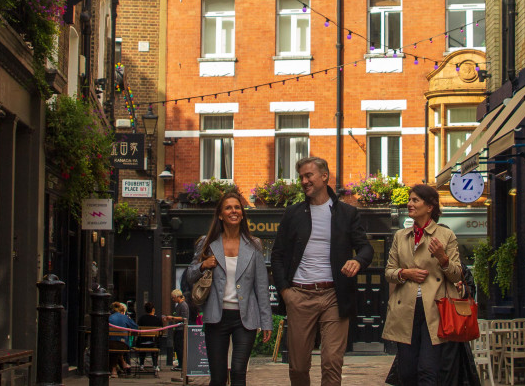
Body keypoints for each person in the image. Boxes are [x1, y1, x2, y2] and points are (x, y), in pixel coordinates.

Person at [270, 156, 374, 386]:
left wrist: (358, 261)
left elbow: (366, 248)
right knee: (297, 366)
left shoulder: (347, 213)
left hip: (334, 296)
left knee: (331, 362)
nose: (304, 181)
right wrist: (286, 292)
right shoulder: (292, 213)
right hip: (299, 295)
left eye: (309, 175)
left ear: (324, 176)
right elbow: (277, 256)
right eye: (301, 177)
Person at [183, 191, 273, 386]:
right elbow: (189, 276)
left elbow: (261, 287)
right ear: (220, 215)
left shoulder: (255, 245)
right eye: (228, 207)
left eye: (237, 207)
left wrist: (266, 322)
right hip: (217, 316)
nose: (234, 211)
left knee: (239, 372)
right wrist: (203, 265)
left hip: (245, 318)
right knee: (218, 377)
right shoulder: (206, 243)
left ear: (242, 213)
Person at [382, 183, 464, 386]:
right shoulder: (400, 236)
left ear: (430, 207)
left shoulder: (446, 236)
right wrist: (405, 273)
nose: (410, 204)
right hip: (405, 309)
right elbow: (389, 272)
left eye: (415, 200)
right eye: (409, 199)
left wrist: (442, 258)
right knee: (407, 371)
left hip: (434, 310)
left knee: (428, 370)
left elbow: (457, 275)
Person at [109, 301, 138, 376]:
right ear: (122, 311)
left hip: (110, 344)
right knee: (118, 345)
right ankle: (121, 365)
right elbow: (135, 328)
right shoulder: (125, 317)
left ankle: (114, 370)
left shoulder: (109, 317)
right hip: (123, 344)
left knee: (114, 346)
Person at [164, 289, 189, 370]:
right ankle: (180, 364)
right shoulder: (179, 305)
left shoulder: (183, 305)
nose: (173, 300)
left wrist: (173, 318)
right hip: (178, 328)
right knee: (177, 347)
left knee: (180, 347)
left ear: (178, 297)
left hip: (181, 329)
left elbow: (184, 318)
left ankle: (182, 365)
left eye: (173, 298)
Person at [135, 302, 164, 371]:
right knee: (156, 343)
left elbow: (137, 331)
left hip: (142, 343)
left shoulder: (141, 319)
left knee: (141, 341)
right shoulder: (158, 319)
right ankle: (155, 364)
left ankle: (141, 364)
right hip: (153, 343)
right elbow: (161, 333)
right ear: (153, 309)